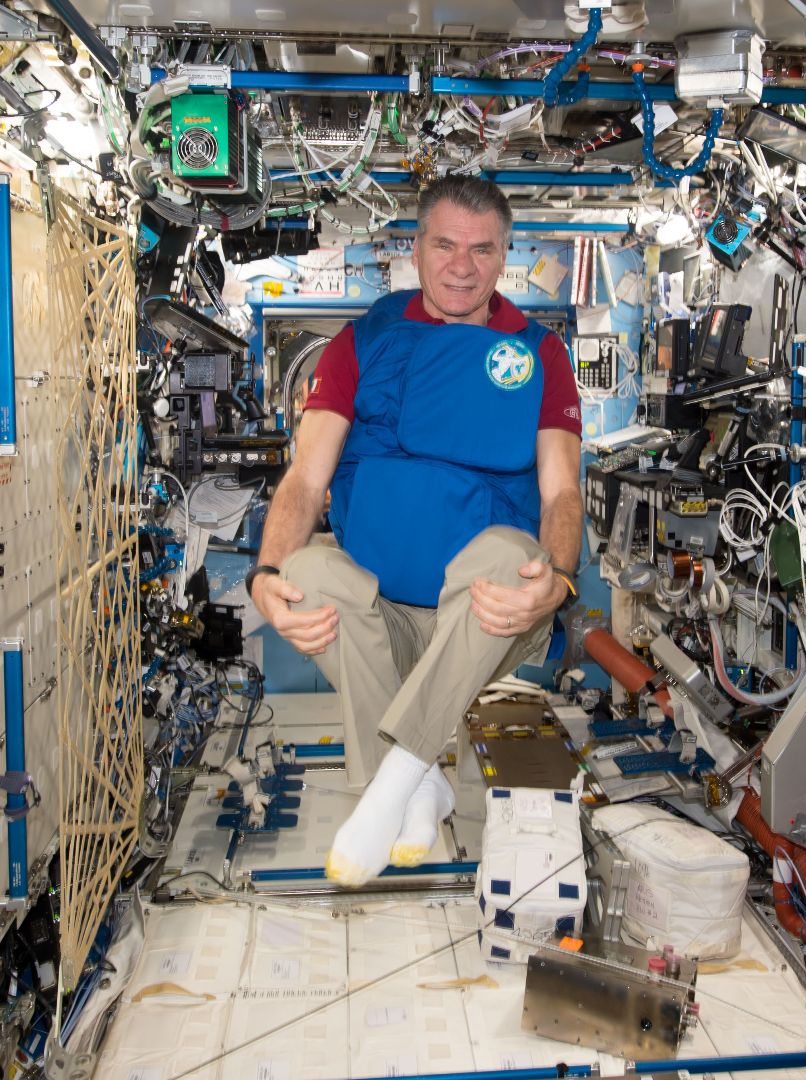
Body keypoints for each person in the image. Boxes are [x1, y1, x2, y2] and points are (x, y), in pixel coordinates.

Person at [245, 176, 584, 886]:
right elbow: (306, 479)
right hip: (383, 616)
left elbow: (561, 492)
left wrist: (555, 577)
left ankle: (388, 786)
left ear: (503, 256)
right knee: (305, 574)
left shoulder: (539, 354)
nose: (462, 264)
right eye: (446, 244)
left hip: (488, 612)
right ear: (417, 249)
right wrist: (265, 575)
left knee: (503, 555)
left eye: (482, 249)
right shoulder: (361, 342)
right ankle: (418, 779)